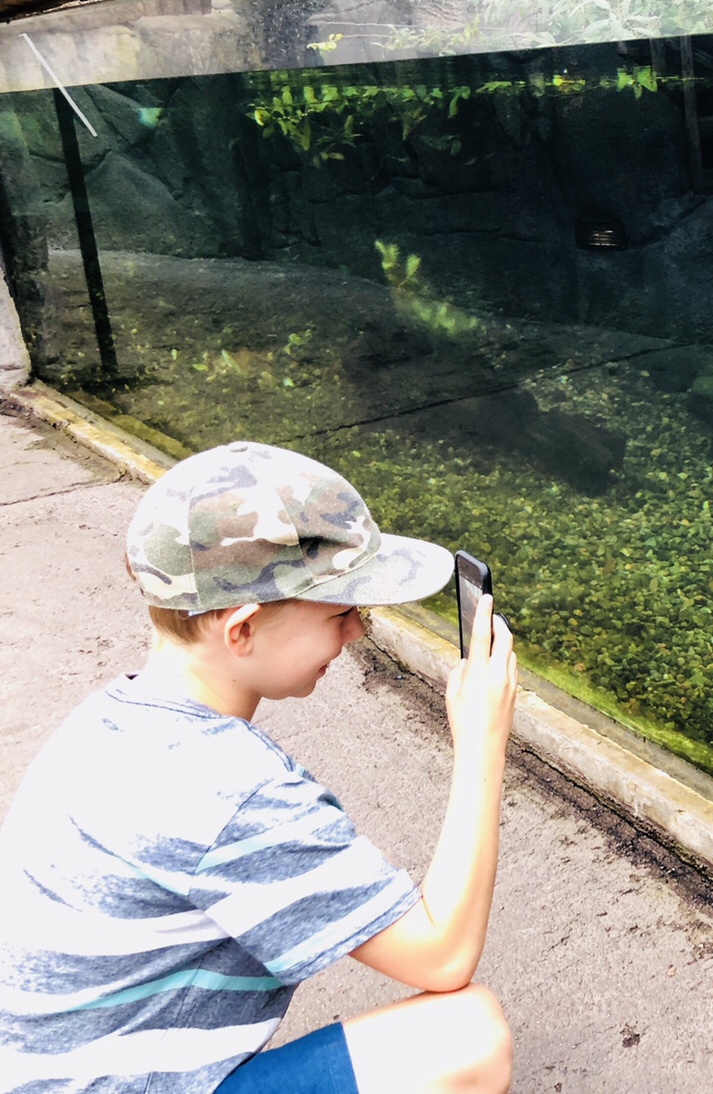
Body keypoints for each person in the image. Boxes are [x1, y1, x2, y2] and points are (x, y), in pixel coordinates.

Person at [0, 441, 517, 1093]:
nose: (357, 631)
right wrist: (482, 742)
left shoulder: (109, 720)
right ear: (241, 629)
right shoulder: (227, 788)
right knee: (467, 1040)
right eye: (340, 612)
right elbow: (441, 954)